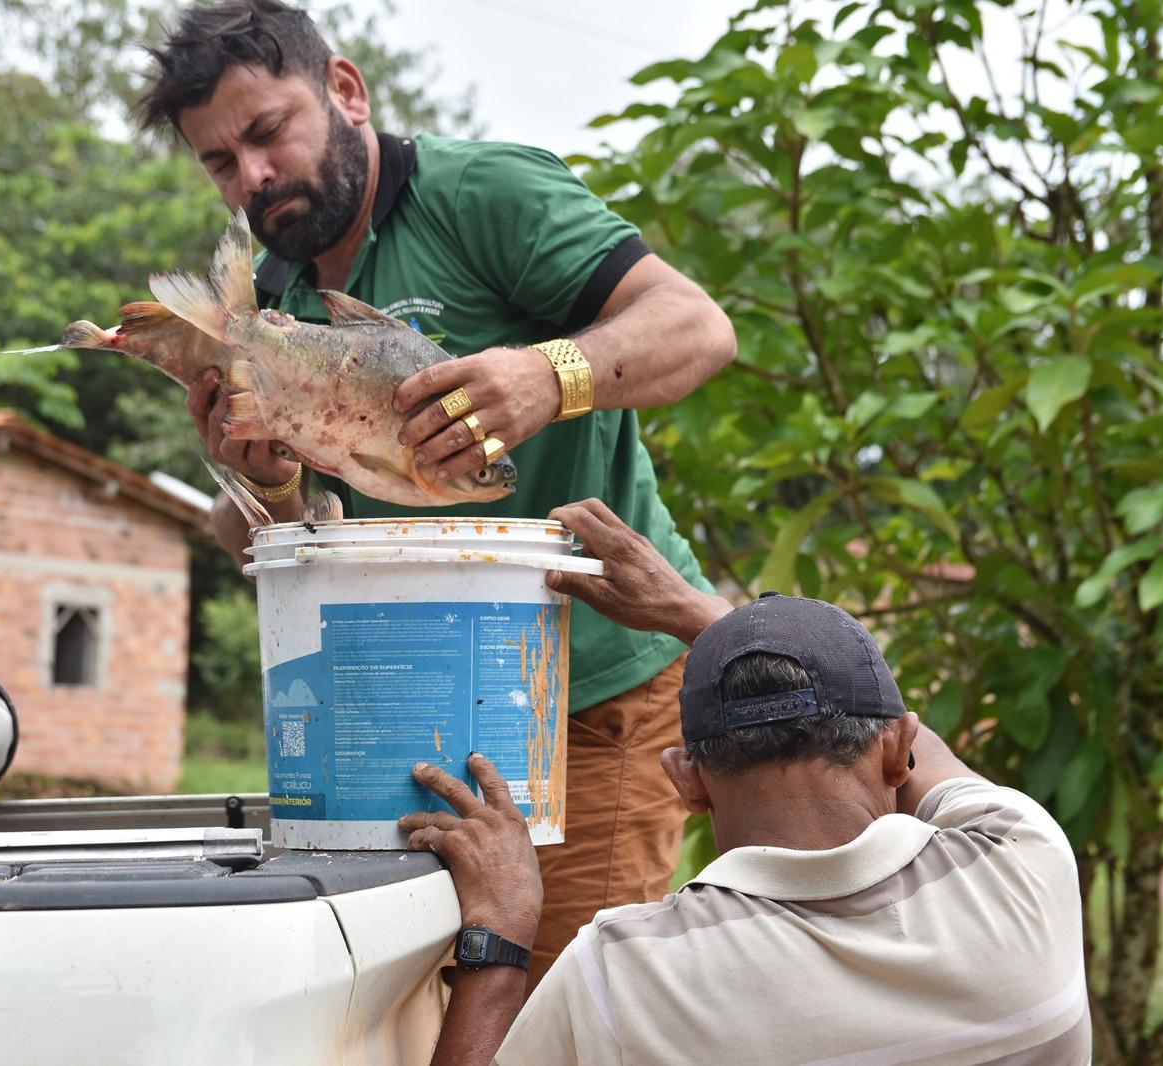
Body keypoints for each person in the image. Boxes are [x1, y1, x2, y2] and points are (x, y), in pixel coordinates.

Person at [136, 0, 738, 984]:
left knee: (564, 1010)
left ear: (344, 90)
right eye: (218, 161)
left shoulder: (486, 194)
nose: (251, 177)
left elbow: (697, 326)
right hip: (399, 716)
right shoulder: (273, 299)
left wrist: (548, 376)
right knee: (420, 1009)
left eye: (266, 133)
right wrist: (264, 485)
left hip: (589, 699)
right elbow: (285, 536)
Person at [400, 499, 1091, 1065]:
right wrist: (697, 611)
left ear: (685, 781)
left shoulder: (626, 975)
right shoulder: (1022, 863)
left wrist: (501, 930)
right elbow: (918, 746)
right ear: (896, 749)